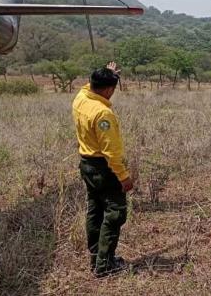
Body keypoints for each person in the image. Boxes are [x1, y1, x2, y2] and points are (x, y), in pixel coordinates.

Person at [72, 61, 134, 277]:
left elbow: (87, 86)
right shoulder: (103, 114)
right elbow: (112, 153)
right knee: (115, 213)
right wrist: (124, 177)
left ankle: (95, 257)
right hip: (104, 168)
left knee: (95, 210)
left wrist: (109, 73)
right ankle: (104, 264)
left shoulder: (81, 98)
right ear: (108, 90)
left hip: (86, 164)